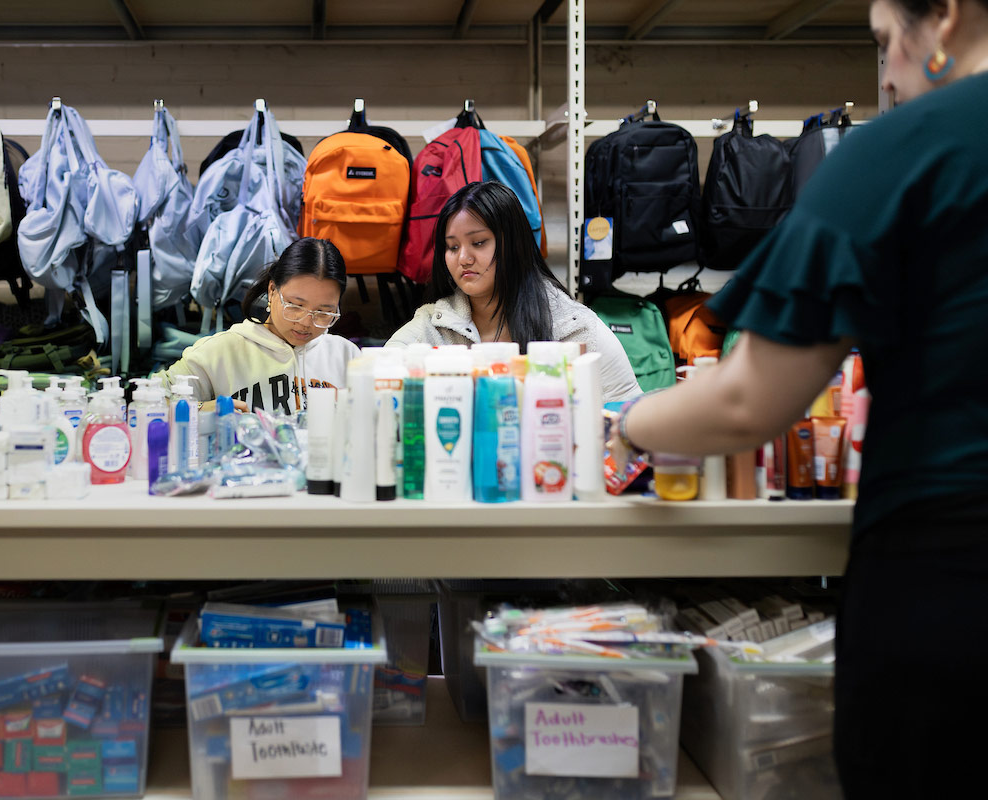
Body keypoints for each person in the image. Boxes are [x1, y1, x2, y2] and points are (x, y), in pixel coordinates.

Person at [612, 1, 988, 796]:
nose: (884, 76)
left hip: (949, 578)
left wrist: (634, 422)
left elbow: (750, 400)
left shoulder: (903, 151)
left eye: (887, 42)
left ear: (946, 18)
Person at [387, 180, 641, 402]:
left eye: (478, 243)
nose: (463, 257)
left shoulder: (576, 328)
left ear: (514, 244)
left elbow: (626, 413)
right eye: (452, 247)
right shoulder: (432, 325)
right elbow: (379, 378)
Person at [159, 237, 359, 414]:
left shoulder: (347, 356)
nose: (306, 322)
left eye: (323, 312)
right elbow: (149, 400)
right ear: (272, 290)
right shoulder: (220, 352)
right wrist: (201, 409)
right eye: (295, 306)